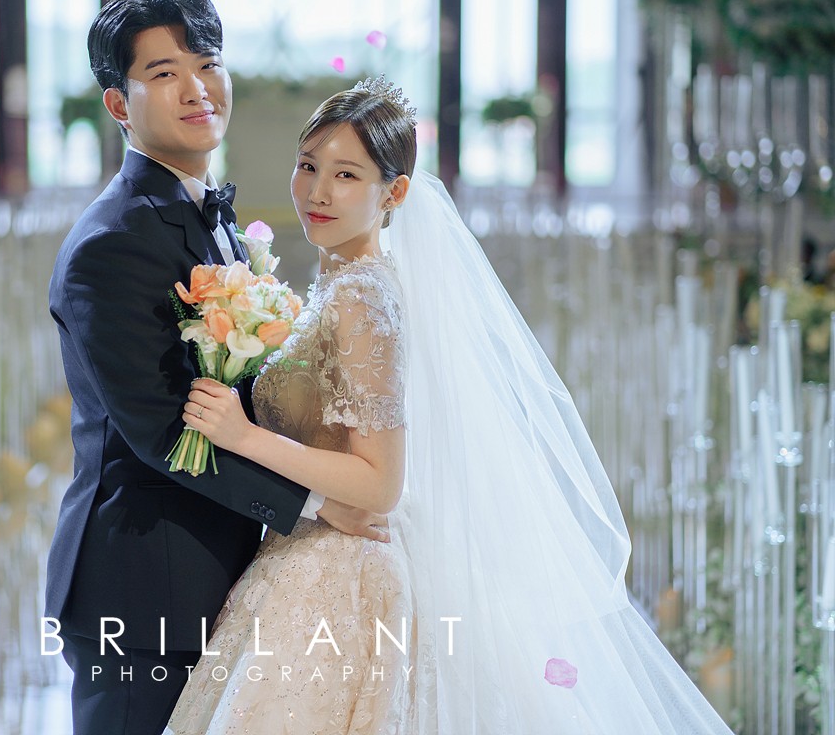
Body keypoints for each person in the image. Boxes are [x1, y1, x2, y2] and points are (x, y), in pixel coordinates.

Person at [167, 78, 734, 733]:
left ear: (394, 193)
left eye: (347, 175)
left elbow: (380, 483)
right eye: (308, 166)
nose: (318, 192)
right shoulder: (341, 284)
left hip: (339, 569)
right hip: (311, 549)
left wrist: (244, 437)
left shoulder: (360, 299)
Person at [45, 0, 385, 735]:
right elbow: (164, 430)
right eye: (165, 73)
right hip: (144, 587)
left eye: (208, 64)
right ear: (119, 103)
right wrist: (320, 504)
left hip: (217, 566)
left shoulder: (207, 219)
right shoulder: (113, 244)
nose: (197, 89)